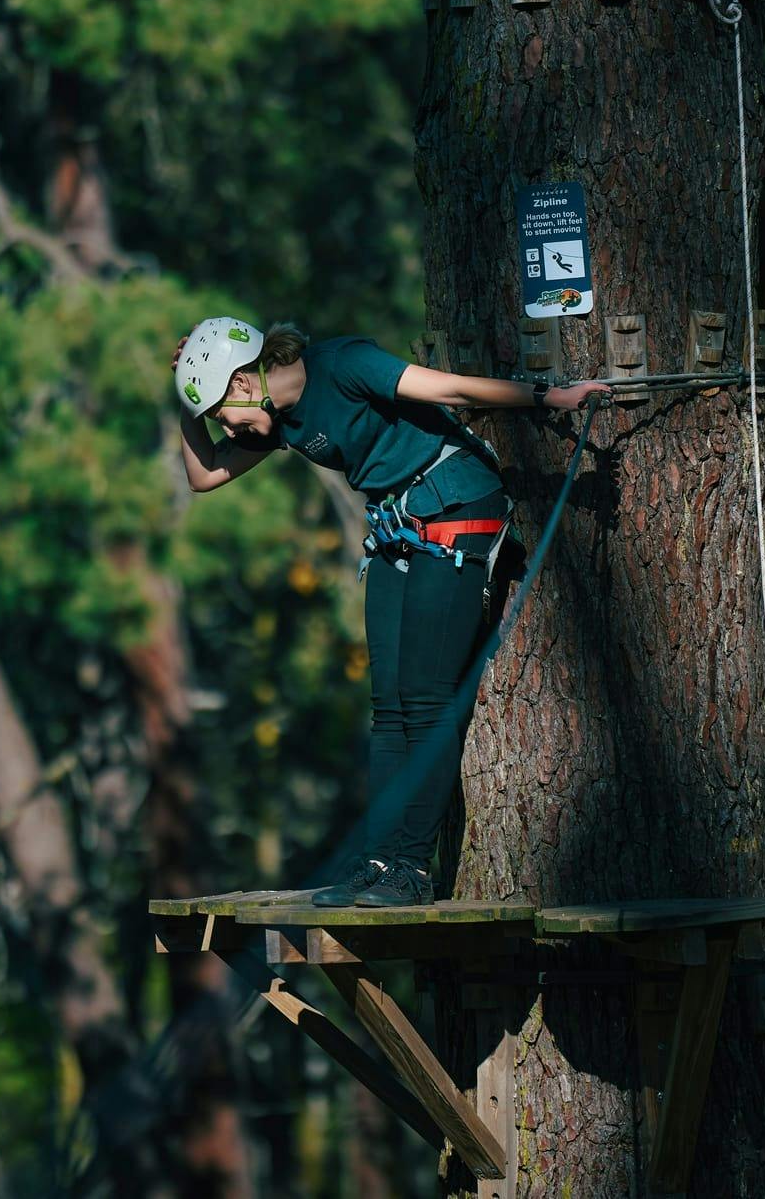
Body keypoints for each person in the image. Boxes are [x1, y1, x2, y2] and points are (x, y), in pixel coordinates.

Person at [172, 317, 609, 907]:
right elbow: (202, 476)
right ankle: (377, 863)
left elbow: (449, 388)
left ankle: (411, 869)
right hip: (397, 529)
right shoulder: (279, 421)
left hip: (455, 504)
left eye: (222, 414)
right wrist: (188, 398)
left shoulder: (344, 365)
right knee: (389, 709)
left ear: (246, 382)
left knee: (427, 701)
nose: (226, 429)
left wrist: (547, 397)